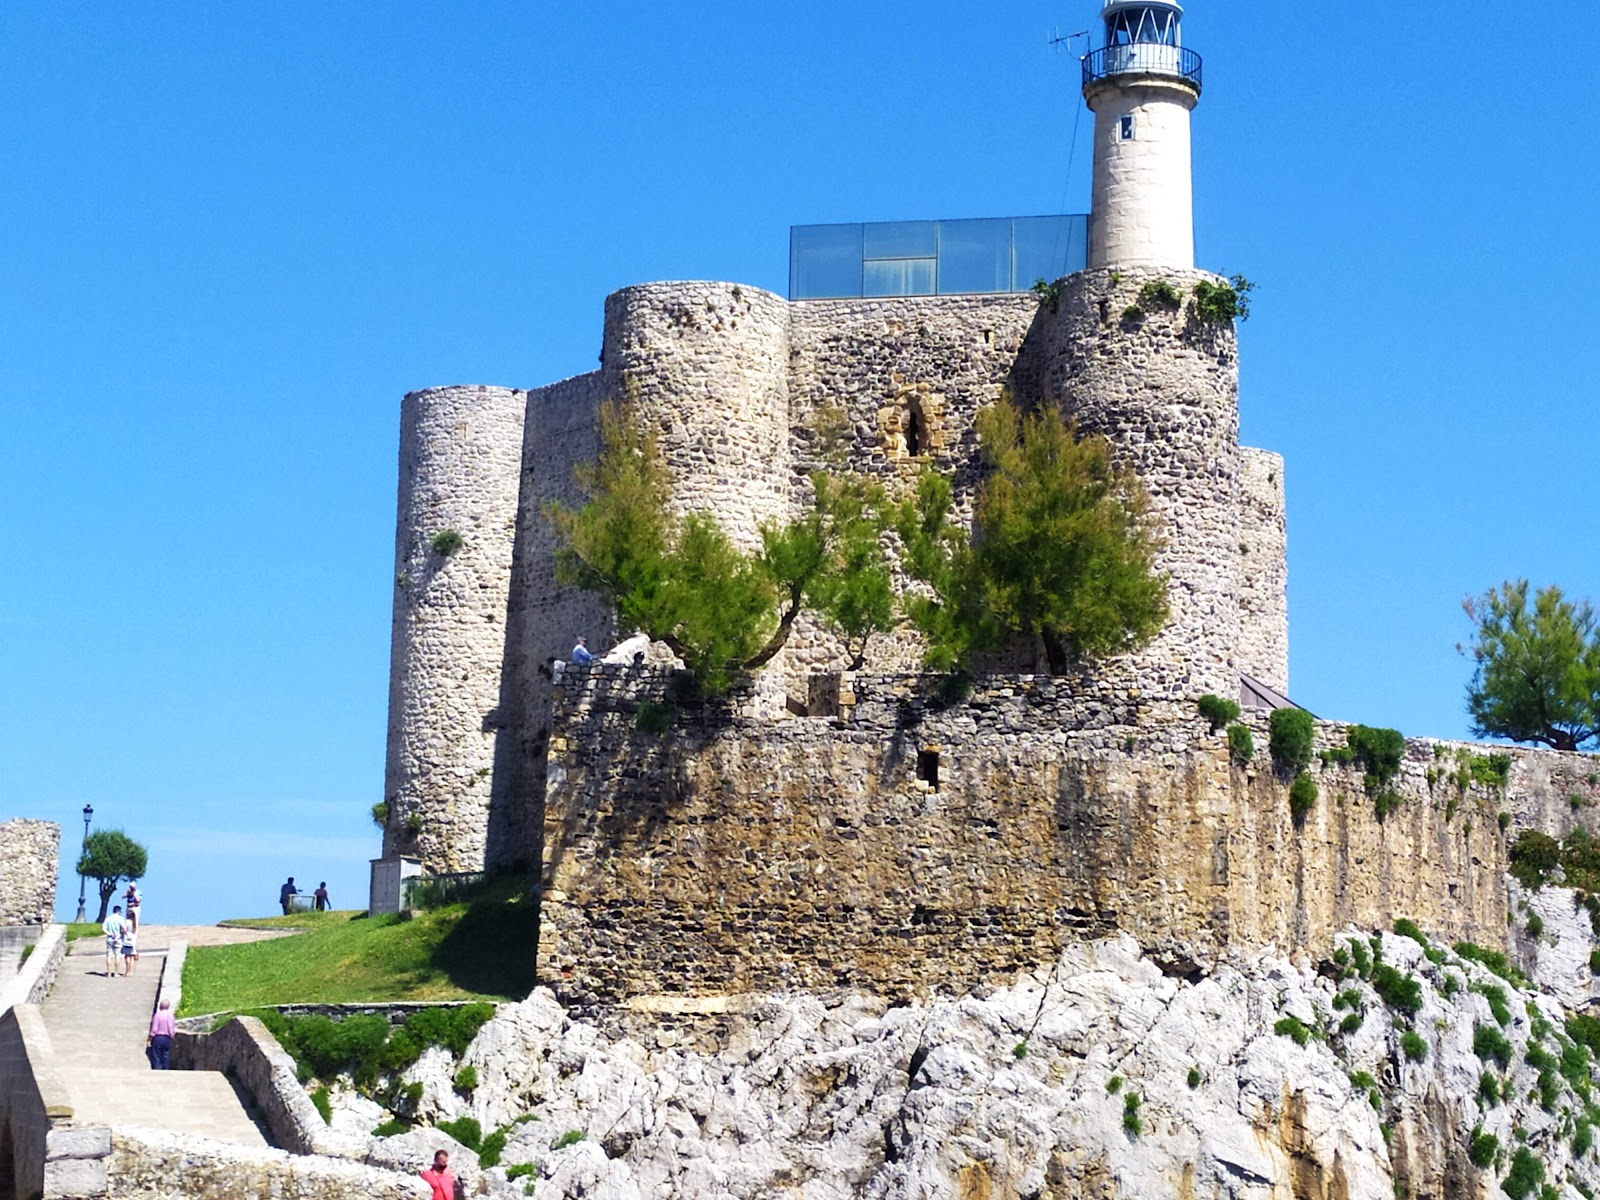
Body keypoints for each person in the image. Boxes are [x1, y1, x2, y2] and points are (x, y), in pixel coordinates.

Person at [147, 998, 176, 1069]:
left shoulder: (157, 1015)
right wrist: (172, 1036)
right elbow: (171, 1027)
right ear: (168, 1007)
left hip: (158, 1037)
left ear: (160, 1006)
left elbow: (154, 1028)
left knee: (156, 1055)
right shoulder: (170, 1016)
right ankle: (166, 1068)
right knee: (165, 1054)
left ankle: (157, 1069)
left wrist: (150, 1037)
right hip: (166, 1038)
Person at [102, 905, 126, 979]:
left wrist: (110, 934)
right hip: (118, 939)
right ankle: (116, 972)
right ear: (119, 911)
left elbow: (104, 928)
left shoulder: (108, 919)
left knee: (109, 955)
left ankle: (108, 972)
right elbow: (124, 929)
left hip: (110, 938)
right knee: (117, 956)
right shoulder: (120, 919)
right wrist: (119, 935)